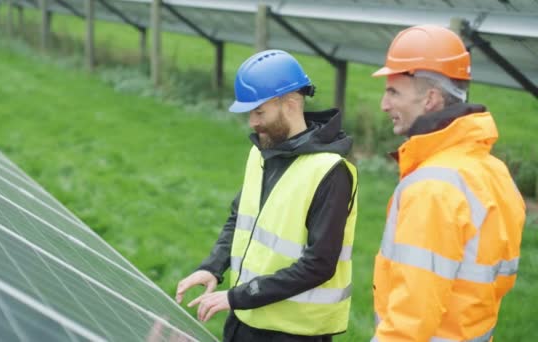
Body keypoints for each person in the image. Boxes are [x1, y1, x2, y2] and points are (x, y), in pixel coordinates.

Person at [175, 49, 358, 341]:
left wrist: (237, 297)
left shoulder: (330, 171)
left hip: (293, 333)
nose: (253, 122)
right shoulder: (261, 153)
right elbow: (240, 219)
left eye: (259, 112)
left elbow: (319, 264)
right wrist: (213, 268)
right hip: (245, 319)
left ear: (290, 104)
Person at [371, 24, 526, 341]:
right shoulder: (493, 171)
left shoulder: (433, 188)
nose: (384, 105)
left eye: (393, 91)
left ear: (430, 99)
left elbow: (410, 320)